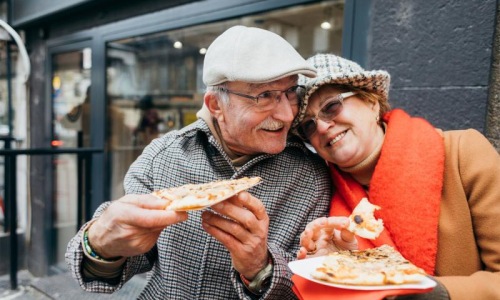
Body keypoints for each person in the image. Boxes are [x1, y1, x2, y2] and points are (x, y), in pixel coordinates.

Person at [65, 26, 347, 299]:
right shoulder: (164, 156)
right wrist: (100, 245)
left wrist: (260, 268)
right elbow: (119, 265)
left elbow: (313, 283)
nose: (287, 114)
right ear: (215, 105)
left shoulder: (312, 176)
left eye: (290, 93)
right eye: (264, 96)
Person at [294, 53, 500, 299]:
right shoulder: (321, 194)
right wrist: (330, 276)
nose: (322, 127)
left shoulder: (463, 153)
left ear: (372, 103)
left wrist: (434, 294)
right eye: (309, 125)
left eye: (331, 106)